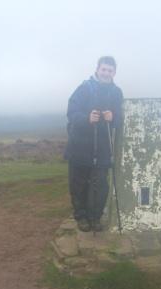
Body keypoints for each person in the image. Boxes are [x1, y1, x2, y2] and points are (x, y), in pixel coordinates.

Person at [64, 56, 123, 232]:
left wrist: (114, 118)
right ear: (97, 69)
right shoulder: (84, 89)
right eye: (103, 69)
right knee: (79, 184)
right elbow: (71, 113)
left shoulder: (116, 92)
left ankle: (95, 217)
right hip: (80, 146)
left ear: (114, 72)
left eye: (110, 70)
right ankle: (81, 217)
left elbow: (120, 117)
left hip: (104, 148)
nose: (106, 73)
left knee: (100, 185)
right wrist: (86, 118)